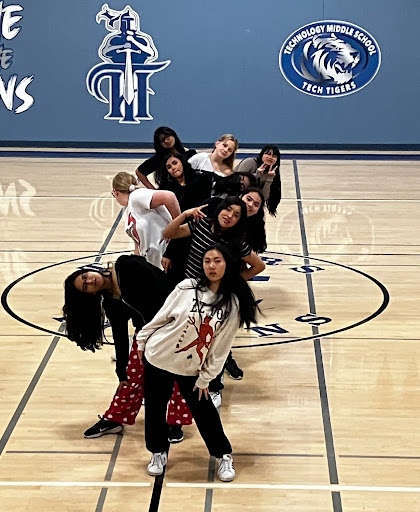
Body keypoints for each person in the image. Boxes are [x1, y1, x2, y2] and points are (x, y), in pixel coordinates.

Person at [136, 244, 259, 481]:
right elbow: (161, 317)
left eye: (217, 261)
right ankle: (158, 452)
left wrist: (206, 377)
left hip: (191, 368)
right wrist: (142, 340)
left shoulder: (232, 303)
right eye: (207, 261)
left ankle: (223, 454)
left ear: (228, 264)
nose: (211, 266)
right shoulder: (186, 287)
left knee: (204, 413)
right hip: (158, 357)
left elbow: (221, 348)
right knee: (154, 408)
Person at [62, 254, 192, 442]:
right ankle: (115, 418)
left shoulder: (127, 265)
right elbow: (120, 335)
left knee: (178, 375)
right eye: (85, 286)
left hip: (175, 325)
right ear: (89, 294)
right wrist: (120, 370)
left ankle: (175, 423)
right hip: (148, 335)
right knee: (131, 376)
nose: (90, 280)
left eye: (85, 277)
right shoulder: (110, 302)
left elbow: (164, 286)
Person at [112, 172, 181, 269]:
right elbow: (138, 244)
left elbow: (169, 197)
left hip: (167, 255)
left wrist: (177, 225)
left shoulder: (136, 195)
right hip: (153, 262)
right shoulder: (128, 211)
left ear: (115, 192)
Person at [235, 145, 281, 216]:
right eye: (268, 154)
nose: (270, 157)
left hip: (251, 205)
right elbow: (236, 183)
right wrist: (256, 175)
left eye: (274, 156)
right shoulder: (250, 162)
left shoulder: (272, 173)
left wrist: (269, 179)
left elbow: (263, 197)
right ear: (262, 154)